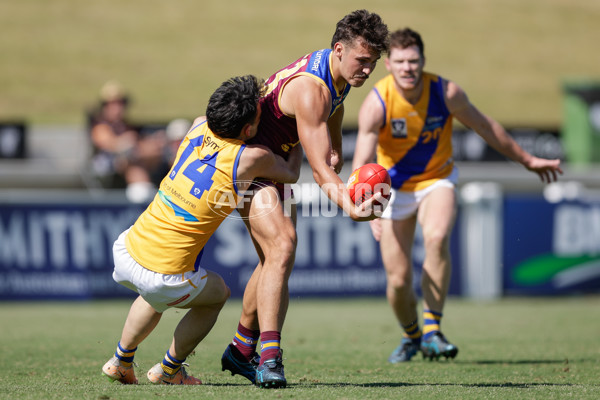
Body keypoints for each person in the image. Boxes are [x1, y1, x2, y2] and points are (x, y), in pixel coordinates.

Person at [352, 27, 563, 363]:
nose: (408, 67)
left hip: (437, 179)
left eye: (414, 60)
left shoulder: (446, 92)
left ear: (423, 61)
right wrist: (368, 210)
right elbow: (362, 162)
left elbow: (485, 126)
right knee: (398, 279)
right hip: (392, 190)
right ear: (388, 64)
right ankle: (412, 337)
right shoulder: (377, 103)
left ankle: (433, 330)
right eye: (400, 61)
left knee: (436, 238)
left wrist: (527, 160)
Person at [220, 10, 389, 388]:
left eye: (373, 63)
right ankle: (269, 359)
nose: (367, 70)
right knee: (283, 245)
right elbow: (319, 173)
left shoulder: (339, 74)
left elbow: (337, 104)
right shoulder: (312, 89)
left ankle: (239, 349)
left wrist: (337, 145)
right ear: (339, 49)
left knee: (274, 260)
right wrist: (352, 209)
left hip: (276, 163)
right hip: (248, 163)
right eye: (362, 61)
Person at [101, 75, 303, 385]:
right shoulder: (251, 157)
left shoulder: (197, 124)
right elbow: (289, 172)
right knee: (217, 294)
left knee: (154, 297)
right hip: (164, 274)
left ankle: (121, 360)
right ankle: (170, 370)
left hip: (129, 247)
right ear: (249, 130)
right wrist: (301, 130)